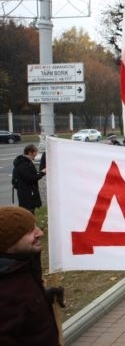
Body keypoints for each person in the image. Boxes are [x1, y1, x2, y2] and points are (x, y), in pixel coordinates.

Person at [0, 206, 60, 345]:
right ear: (9, 241)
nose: (40, 233)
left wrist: (43, 298)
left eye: (36, 226)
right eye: (30, 231)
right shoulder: (4, 292)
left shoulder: (21, 267)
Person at [13, 144, 45, 214]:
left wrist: (40, 173)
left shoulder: (25, 162)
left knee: (29, 212)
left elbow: (31, 175)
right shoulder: (23, 164)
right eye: (35, 152)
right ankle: (29, 225)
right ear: (30, 152)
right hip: (27, 195)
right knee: (28, 213)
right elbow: (31, 178)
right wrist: (42, 173)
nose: (36, 155)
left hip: (27, 193)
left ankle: (31, 224)